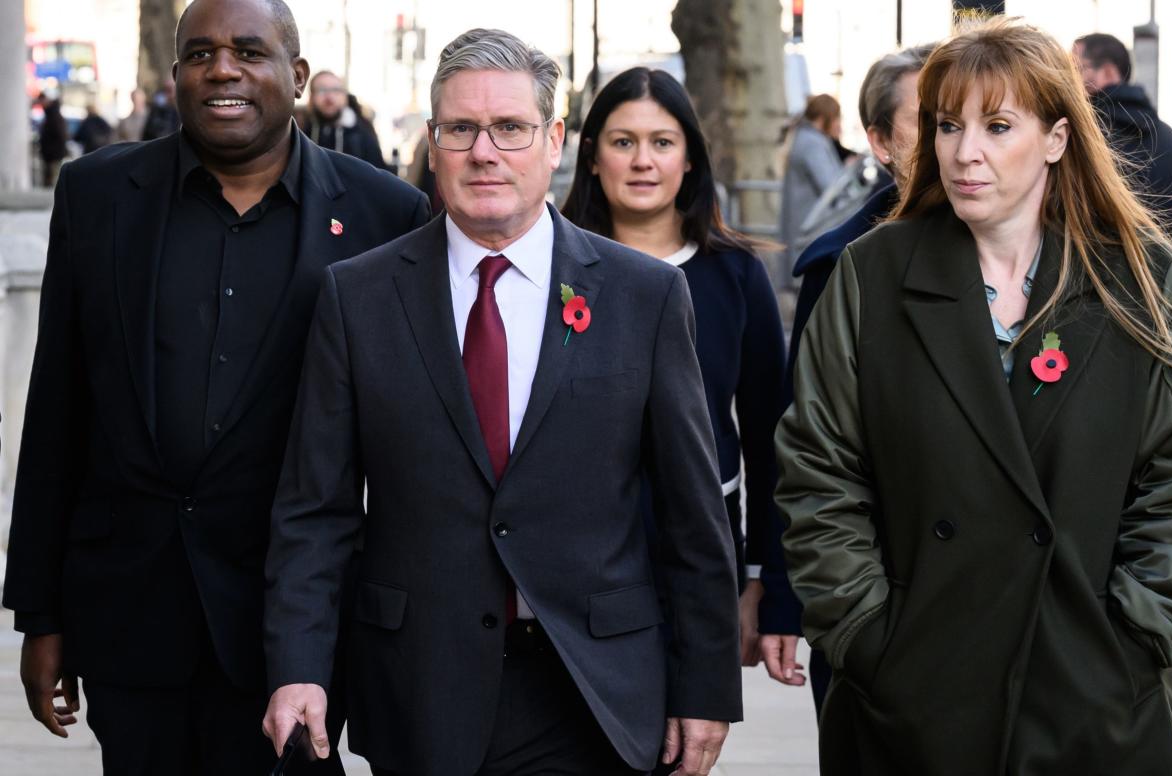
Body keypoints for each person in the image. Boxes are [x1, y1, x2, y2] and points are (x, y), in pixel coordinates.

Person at [261, 28, 742, 776]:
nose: (484, 152)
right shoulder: (357, 297)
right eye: (461, 129)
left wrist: (706, 687)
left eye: (510, 128)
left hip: (593, 692)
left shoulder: (643, 297)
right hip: (420, 687)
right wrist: (298, 666)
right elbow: (314, 510)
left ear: (553, 140)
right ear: (433, 141)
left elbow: (692, 518)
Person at [777, 19, 1172, 775]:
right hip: (914, 695)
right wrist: (866, 638)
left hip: (1092, 691)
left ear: (1055, 138)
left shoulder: (1137, 276)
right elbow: (818, 471)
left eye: (996, 125)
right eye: (948, 125)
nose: (964, 153)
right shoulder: (871, 273)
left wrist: (1137, 632)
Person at [2, 0, 430, 773]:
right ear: (176, 78)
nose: (222, 68)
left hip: (295, 625)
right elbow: (58, 409)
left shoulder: (385, 214)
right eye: (200, 53)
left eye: (248, 51)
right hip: (130, 617)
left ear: (296, 76)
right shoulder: (98, 196)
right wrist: (40, 612)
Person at [561, 66, 787, 675]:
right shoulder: (550, 270)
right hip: (569, 554)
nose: (643, 161)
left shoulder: (735, 275)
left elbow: (772, 437)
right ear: (590, 156)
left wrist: (763, 580)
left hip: (698, 551)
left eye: (662, 142)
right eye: (622, 141)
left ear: (689, 158)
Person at [759, 44, 934, 712]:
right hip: (880, 622)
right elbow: (800, 452)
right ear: (881, 143)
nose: (957, 139)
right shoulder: (838, 271)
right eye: (932, 120)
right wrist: (817, 609)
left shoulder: (1047, 263)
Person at [1072, 33, 1172, 234]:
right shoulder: (1169, 138)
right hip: (1162, 263)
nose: (1067, 78)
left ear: (1108, 73)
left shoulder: (1081, 135)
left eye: (1075, 69)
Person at [780, 94, 847, 279]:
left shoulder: (804, 138)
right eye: (837, 118)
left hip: (803, 234)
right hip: (810, 236)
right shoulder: (813, 144)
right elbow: (832, 188)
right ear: (824, 117)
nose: (839, 124)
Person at [300, 70, 387, 169]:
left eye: (336, 90)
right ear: (311, 97)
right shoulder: (302, 130)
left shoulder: (362, 130)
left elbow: (377, 173)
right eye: (322, 90)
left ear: (345, 96)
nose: (329, 97)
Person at [37, 96, 68, 188]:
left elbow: (60, 135)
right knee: (50, 177)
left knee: (53, 178)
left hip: (53, 153)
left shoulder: (53, 117)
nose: (42, 104)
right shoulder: (52, 116)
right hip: (51, 152)